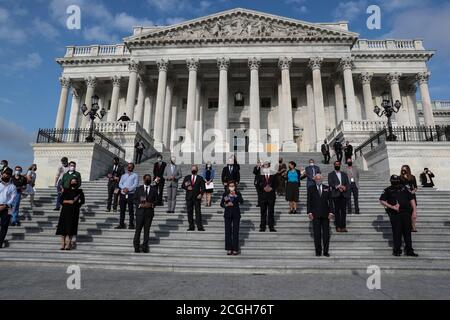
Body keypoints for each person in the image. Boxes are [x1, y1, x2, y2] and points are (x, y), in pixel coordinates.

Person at [379, 175, 418, 257]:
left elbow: (411, 199)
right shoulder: (387, 190)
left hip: (406, 213)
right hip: (395, 214)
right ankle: (397, 250)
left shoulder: (404, 188)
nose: (396, 183)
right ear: (391, 182)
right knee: (397, 232)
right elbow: (382, 200)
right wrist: (392, 206)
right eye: (394, 182)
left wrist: (414, 211)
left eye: (397, 181)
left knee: (407, 232)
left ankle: (409, 250)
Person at [307, 174, 334, 257]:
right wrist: (309, 212)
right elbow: (309, 201)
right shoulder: (311, 188)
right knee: (317, 234)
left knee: (326, 234)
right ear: (315, 179)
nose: (318, 180)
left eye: (320, 179)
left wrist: (331, 212)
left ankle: (326, 251)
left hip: (326, 215)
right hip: (315, 214)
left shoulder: (327, 188)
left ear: (322, 179)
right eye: (317, 179)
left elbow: (330, 201)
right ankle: (318, 251)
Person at [56, 178, 85, 250]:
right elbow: (61, 200)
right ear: (70, 182)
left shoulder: (79, 191)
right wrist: (68, 202)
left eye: (75, 181)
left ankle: (69, 243)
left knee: (71, 227)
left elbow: (83, 201)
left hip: (74, 211)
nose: (73, 182)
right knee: (63, 227)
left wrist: (77, 205)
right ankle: (63, 243)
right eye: (72, 181)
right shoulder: (66, 190)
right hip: (65, 211)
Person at [133, 174, 158, 253]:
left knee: (146, 231)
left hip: (149, 213)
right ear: (143, 179)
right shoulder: (139, 189)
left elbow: (157, 200)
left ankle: (145, 246)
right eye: (147, 179)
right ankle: (136, 246)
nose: (148, 180)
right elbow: (134, 199)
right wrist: (140, 204)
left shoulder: (154, 189)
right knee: (138, 230)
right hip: (140, 213)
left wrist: (151, 204)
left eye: (149, 179)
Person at [220, 181, 244, 256]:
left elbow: (242, 201)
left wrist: (236, 195)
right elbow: (221, 204)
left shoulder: (238, 193)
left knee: (235, 231)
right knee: (228, 232)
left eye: (233, 185)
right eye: (230, 186)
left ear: (235, 186)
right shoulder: (225, 194)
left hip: (236, 214)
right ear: (228, 187)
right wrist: (226, 205)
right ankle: (229, 248)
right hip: (227, 214)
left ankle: (235, 249)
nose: (231, 187)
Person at [328, 161, 350, 233]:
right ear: (334, 165)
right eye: (336, 164)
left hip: (343, 194)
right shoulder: (331, 174)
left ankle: (343, 227)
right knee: (337, 211)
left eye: (338, 164)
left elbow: (347, 183)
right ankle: (338, 226)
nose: (337, 165)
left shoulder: (344, 174)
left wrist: (344, 187)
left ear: (340, 165)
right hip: (336, 194)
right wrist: (338, 186)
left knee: (343, 211)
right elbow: (330, 183)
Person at [182, 165, 205, 231]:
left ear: (197, 170)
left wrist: (201, 194)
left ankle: (199, 226)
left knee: (198, 212)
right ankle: (191, 226)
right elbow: (183, 185)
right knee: (189, 212)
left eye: (195, 169)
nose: (193, 170)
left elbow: (203, 188)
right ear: (191, 170)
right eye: (192, 169)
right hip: (189, 197)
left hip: (197, 198)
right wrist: (187, 187)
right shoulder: (187, 177)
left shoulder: (200, 178)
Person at [116, 163, 139, 230]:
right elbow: (120, 183)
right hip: (123, 194)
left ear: (133, 168)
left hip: (131, 194)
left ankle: (131, 224)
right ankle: (121, 224)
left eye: (130, 167)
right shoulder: (123, 175)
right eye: (128, 167)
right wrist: (124, 188)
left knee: (131, 210)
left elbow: (135, 185)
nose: (129, 168)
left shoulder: (135, 175)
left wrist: (128, 189)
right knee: (122, 210)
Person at [257, 161, 278, 232]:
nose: (265, 166)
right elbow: (258, 184)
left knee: (271, 212)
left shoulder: (273, 174)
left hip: (271, 196)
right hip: (263, 196)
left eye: (267, 165)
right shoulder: (260, 174)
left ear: (269, 166)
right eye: (264, 165)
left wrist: (272, 188)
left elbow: (277, 183)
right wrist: (263, 188)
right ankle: (262, 227)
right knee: (263, 212)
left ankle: (271, 227)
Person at [0, 170, 16, 249]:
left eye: (8, 175)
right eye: (5, 174)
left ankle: (0, 242)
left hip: (8, 208)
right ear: (2, 174)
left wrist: (5, 205)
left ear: (10, 176)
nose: (6, 176)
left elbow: (13, 198)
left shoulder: (12, 186)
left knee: (4, 225)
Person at [400, 165, 418, 232]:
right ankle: (406, 226)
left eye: (405, 170)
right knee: (406, 211)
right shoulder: (400, 178)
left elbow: (415, 187)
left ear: (408, 170)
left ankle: (413, 226)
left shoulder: (412, 177)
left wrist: (413, 191)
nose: (403, 171)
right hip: (404, 196)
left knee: (413, 210)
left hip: (411, 195)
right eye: (402, 170)